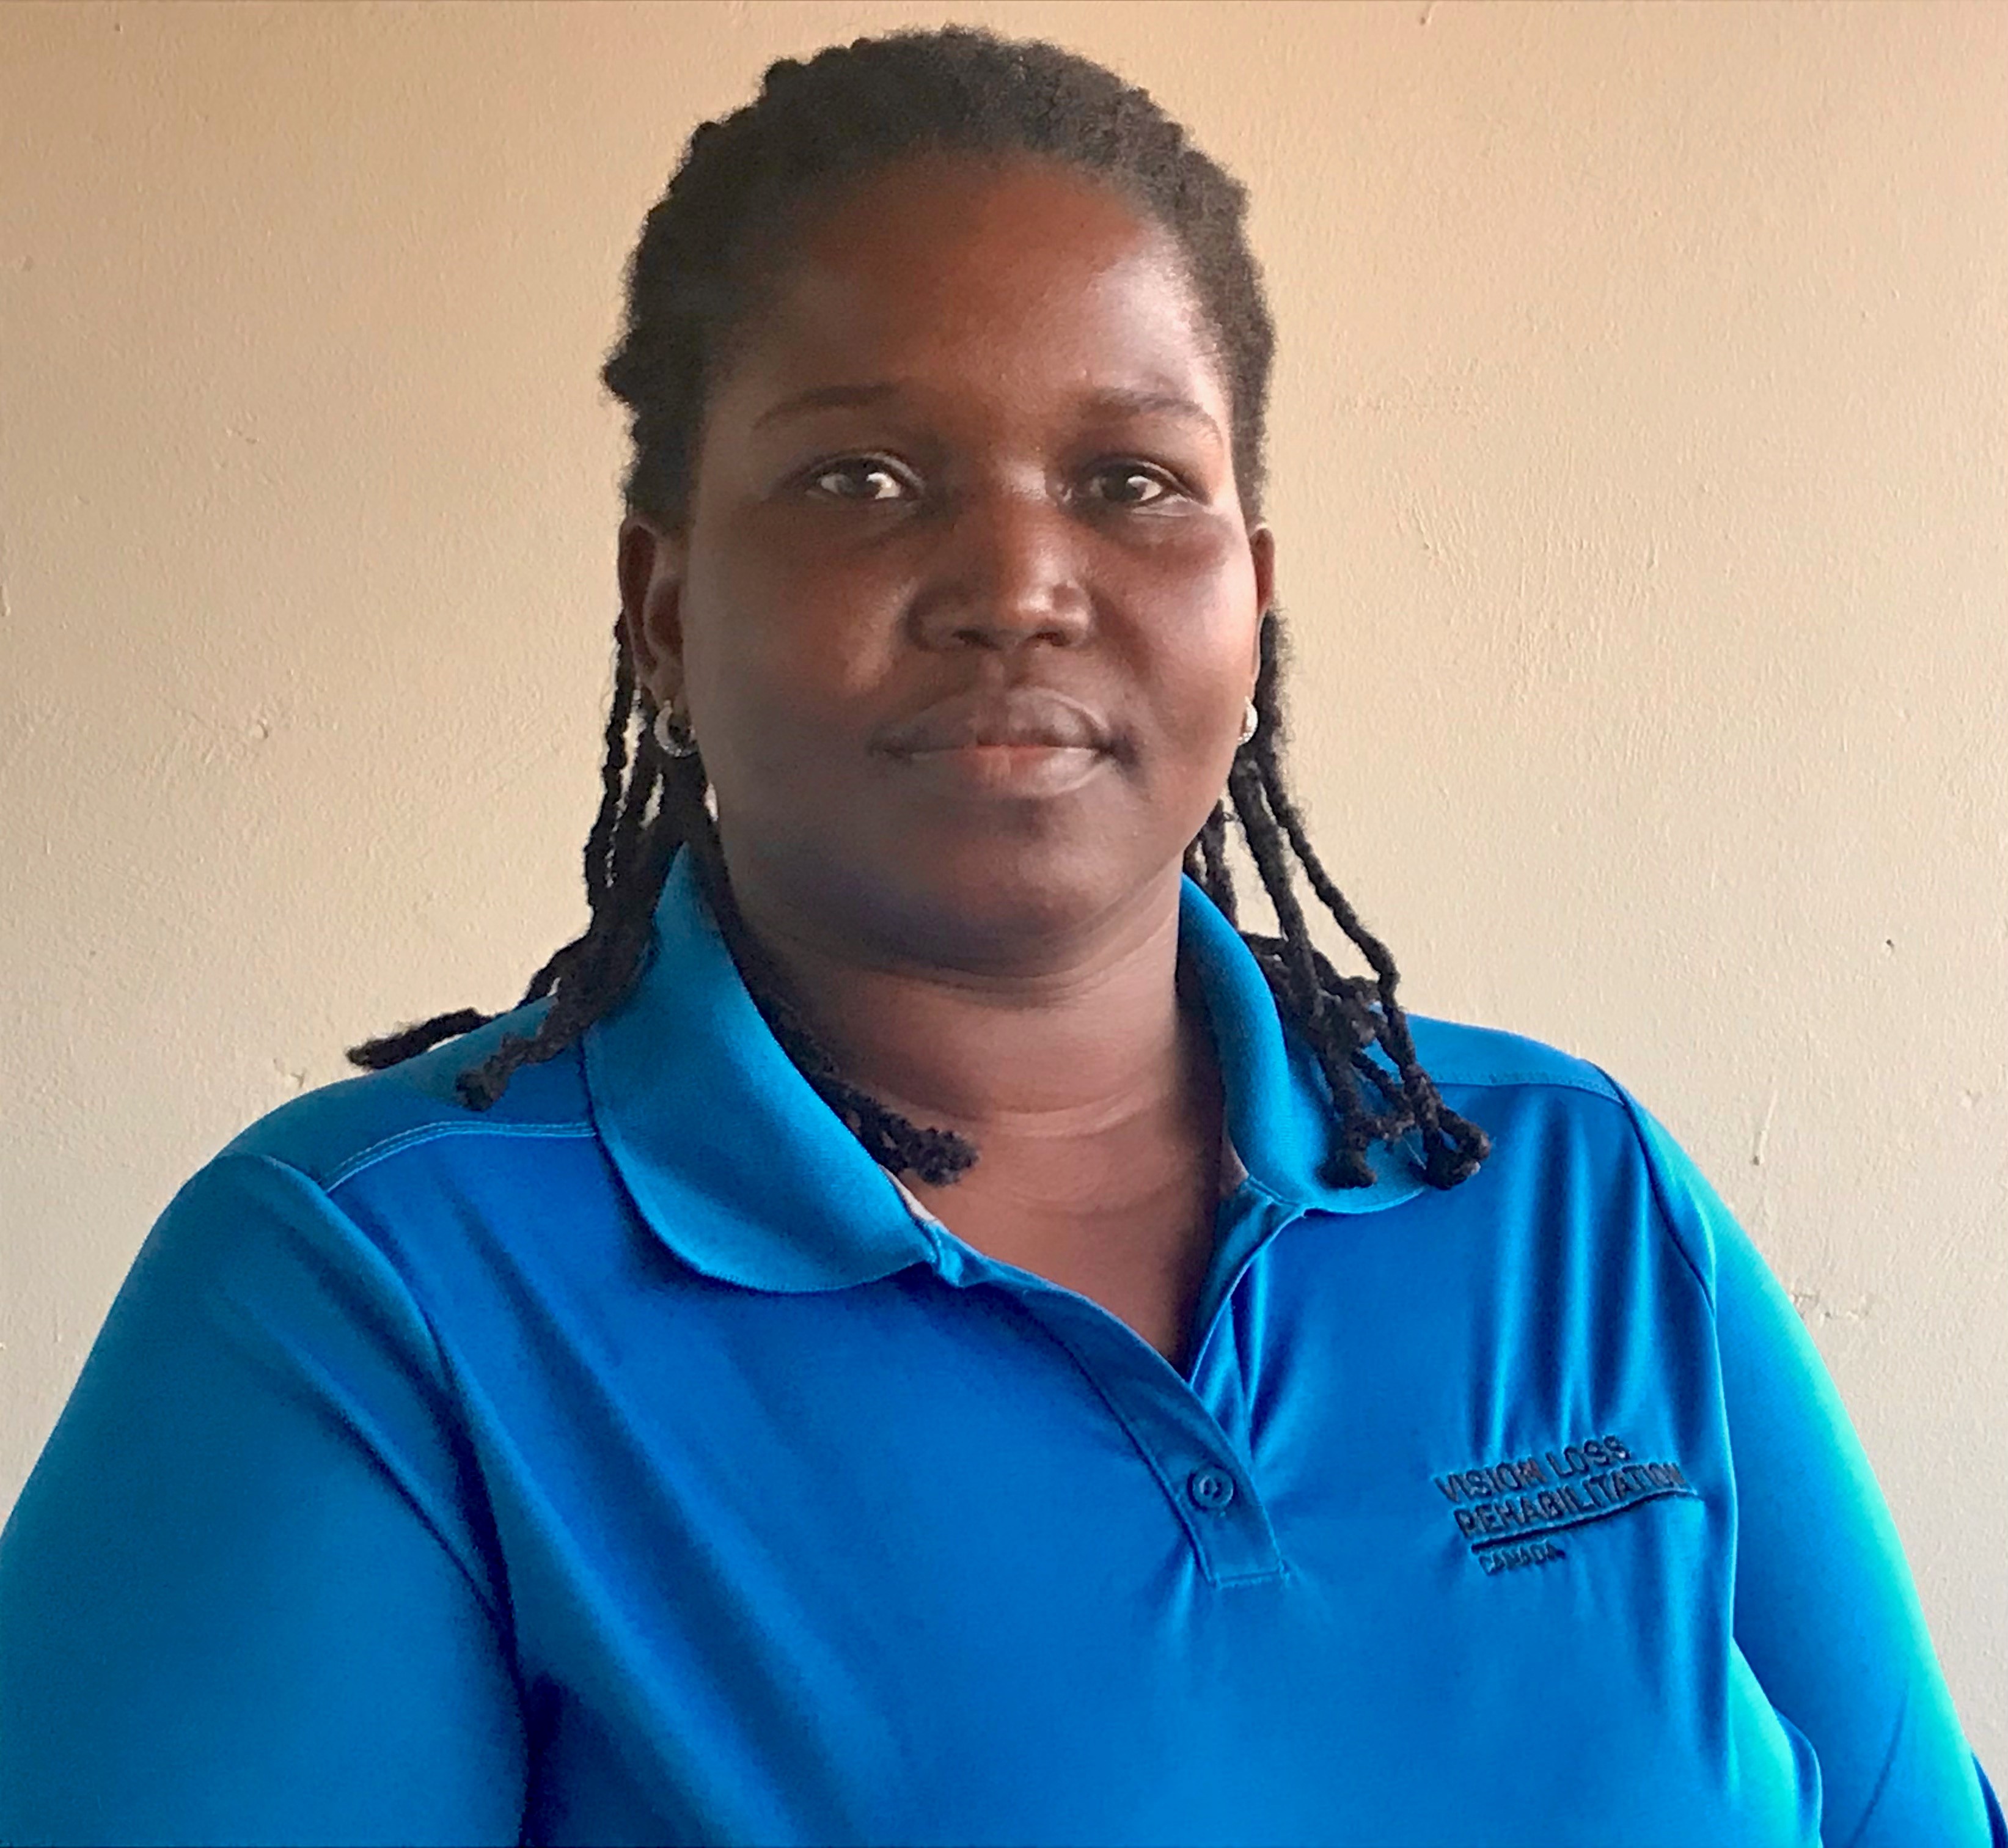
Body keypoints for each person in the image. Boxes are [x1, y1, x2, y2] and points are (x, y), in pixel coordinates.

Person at [0, 25, 1998, 1848]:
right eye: (863, 477)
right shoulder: (375, 1291)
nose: (1021, 582)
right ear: (664, 608)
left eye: (1131, 482)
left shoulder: (1566, 1194)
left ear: (1250, 598)